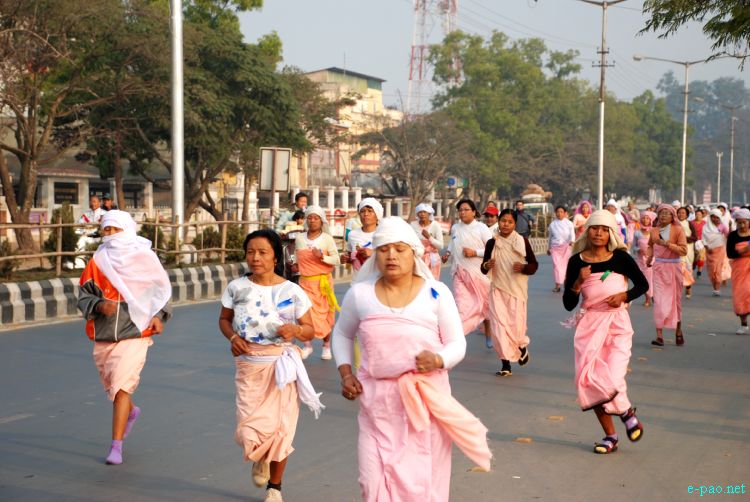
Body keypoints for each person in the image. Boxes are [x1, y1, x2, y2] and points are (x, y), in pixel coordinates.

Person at [333, 217, 492, 501]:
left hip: (426, 405)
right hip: (377, 406)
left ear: (414, 252)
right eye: (384, 249)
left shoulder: (436, 293)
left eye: (399, 249)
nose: (391, 255)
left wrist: (438, 359)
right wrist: (346, 374)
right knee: (372, 485)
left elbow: (457, 344)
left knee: (425, 485)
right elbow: (343, 334)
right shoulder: (360, 294)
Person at [219, 229, 322, 502]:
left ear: (276, 257)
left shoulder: (292, 291)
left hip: (282, 368)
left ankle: (274, 488)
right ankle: (260, 455)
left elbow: (310, 329)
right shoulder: (237, 288)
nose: (255, 257)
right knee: (247, 431)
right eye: (250, 252)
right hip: (249, 367)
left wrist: (295, 330)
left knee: (281, 429)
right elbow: (224, 319)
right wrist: (232, 338)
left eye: (262, 252)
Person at [77, 210, 172, 465]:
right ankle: (131, 411)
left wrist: (159, 316)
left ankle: (116, 447)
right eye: (106, 230)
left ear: (127, 230)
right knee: (114, 387)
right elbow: (83, 296)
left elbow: (161, 291)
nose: (110, 235)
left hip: (136, 333)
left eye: (115, 229)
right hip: (104, 336)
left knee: (120, 388)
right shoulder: (97, 263)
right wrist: (99, 305)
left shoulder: (145, 258)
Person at [563, 210, 648, 454]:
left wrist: (624, 296)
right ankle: (612, 434)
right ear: (586, 231)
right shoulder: (576, 262)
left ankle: (625, 412)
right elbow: (568, 303)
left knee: (613, 375)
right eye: (594, 228)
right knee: (590, 380)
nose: (598, 233)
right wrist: (578, 282)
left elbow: (643, 285)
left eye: (603, 229)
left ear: (611, 233)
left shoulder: (621, 258)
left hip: (617, 324)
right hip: (589, 326)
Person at [481, 209, 538, 376]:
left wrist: (524, 268)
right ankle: (505, 364)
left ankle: (521, 346)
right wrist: (486, 265)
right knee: (499, 328)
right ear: (498, 221)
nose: (505, 224)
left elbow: (534, 265)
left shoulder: (522, 241)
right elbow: (483, 268)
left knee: (516, 326)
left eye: (510, 222)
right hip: (497, 289)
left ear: (515, 224)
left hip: (516, 291)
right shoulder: (492, 243)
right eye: (503, 221)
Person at [442, 199, 493, 347]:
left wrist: (474, 252)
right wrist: (448, 253)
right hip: (459, 272)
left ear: (474, 212)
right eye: (460, 210)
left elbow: (491, 249)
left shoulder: (482, 228)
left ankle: (488, 333)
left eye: (466, 209)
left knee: (483, 306)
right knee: (462, 306)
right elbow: (453, 242)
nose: (462, 212)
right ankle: (457, 337)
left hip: (479, 274)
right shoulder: (455, 228)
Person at [294, 206, 341, 360]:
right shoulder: (300, 238)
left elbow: (336, 260)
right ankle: (307, 345)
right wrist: (294, 264)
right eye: (310, 217)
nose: (312, 221)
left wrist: (321, 257)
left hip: (322, 284)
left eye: (316, 218)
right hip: (304, 283)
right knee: (302, 314)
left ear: (322, 221)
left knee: (324, 316)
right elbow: (296, 256)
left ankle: (326, 346)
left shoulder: (327, 239)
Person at [647, 204, 688, 347]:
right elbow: (650, 245)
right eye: (661, 213)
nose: (663, 215)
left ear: (672, 216)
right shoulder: (654, 230)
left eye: (667, 213)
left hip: (674, 268)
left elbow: (683, 250)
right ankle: (659, 336)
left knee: (675, 302)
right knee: (658, 301)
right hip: (659, 268)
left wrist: (667, 244)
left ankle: (678, 330)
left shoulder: (678, 230)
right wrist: (649, 257)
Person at [342, 198, 382, 279]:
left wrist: (373, 254)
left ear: (378, 214)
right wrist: (345, 259)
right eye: (362, 211)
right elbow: (350, 255)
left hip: (378, 282)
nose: (366, 214)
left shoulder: (383, 234)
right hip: (358, 282)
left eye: (370, 211)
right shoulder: (352, 235)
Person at [727, 208, 750, 335]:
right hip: (740, 268)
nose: (742, 225)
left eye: (744, 222)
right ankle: (743, 324)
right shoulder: (733, 236)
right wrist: (744, 250)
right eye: (739, 222)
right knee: (741, 295)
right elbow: (730, 254)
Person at [410, 202, 444, 280]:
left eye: (424, 212)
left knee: (432, 282)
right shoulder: (413, 225)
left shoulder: (435, 225)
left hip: (432, 259)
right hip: (418, 257)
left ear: (429, 214)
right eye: (420, 212)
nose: (422, 214)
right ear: (417, 214)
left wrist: (429, 237)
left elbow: (440, 246)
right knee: (418, 281)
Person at [702, 209, 731, 296]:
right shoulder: (705, 227)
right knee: (711, 270)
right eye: (713, 217)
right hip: (709, 251)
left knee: (718, 269)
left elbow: (728, 236)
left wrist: (730, 227)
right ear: (710, 217)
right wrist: (707, 248)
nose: (715, 219)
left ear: (720, 218)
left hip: (720, 250)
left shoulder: (722, 226)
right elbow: (703, 239)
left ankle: (717, 289)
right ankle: (714, 287)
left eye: (717, 217)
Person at [547, 205, 575, 293]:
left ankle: (567, 284)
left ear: (565, 213)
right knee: (557, 266)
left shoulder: (569, 223)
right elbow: (550, 237)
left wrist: (572, 241)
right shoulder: (552, 224)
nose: (559, 214)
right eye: (557, 212)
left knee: (566, 266)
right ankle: (557, 285)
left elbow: (572, 234)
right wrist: (549, 247)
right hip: (555, 248)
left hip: (566, 247)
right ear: (555, 213)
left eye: (561, 212)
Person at [633, 211, 656, 307]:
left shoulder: (654, 231)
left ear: (650, 220)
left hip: (652, 259)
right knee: (643, 279)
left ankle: (652, 296)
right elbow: (634, 247)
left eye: (647, 218)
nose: (645, 220)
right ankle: (647, 297)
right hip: (641, 260)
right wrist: (639, 249)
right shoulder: (637, 232)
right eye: (643, 218)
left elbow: (659, 245)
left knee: (651, 279)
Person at [676, 207, 697, 298]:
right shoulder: (673, 223)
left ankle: (688, 286)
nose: (681, 214)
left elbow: (695, 237)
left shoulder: (690, 224)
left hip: (688, 250)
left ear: (687, 215)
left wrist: (683, 239)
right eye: (679, 213)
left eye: (683, 213)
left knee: (688, 270)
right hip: (676, 250)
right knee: (679, 270)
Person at [693, 209, 707, 277]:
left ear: (702, 215)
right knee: (694, 258)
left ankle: (699, 271)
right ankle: (694, 265)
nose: (697, 216)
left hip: (702, 243)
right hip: (693, 242)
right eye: (696, 214)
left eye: (699, 214)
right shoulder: (691, 223)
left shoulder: (705, 223)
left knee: (701, 257)